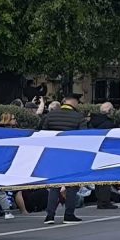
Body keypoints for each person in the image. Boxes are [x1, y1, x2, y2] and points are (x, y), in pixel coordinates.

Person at [41, 93, 88, 223]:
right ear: (74, 102)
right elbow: (84, 138)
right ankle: (69, 214)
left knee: (54, 186)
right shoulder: (79, 117)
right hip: (71, 155)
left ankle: (49, 215)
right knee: (71, 186)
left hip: (53, 155)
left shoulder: (50, 115)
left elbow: (42, 134)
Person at [88, 102, 118, 210]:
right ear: (109, 111)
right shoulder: (109, 124)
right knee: (106, 177)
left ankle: (100, 200)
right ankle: (105, 201)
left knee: (98, 178)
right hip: (106, 151)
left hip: (94, 151)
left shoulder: (92, 121)